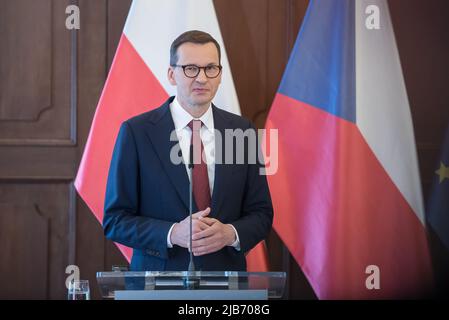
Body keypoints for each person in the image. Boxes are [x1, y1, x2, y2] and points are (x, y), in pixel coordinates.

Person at [103, 30, 273, 271]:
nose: (202, 78)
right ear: (172, 75)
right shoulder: (137, 132)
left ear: (220, 75)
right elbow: (115, 220)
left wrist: (230, 233)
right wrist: (172, 233)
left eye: (210, 68)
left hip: (225, 283)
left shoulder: (242, 130)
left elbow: (262, 214)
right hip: (157, 283)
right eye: (190, 68)